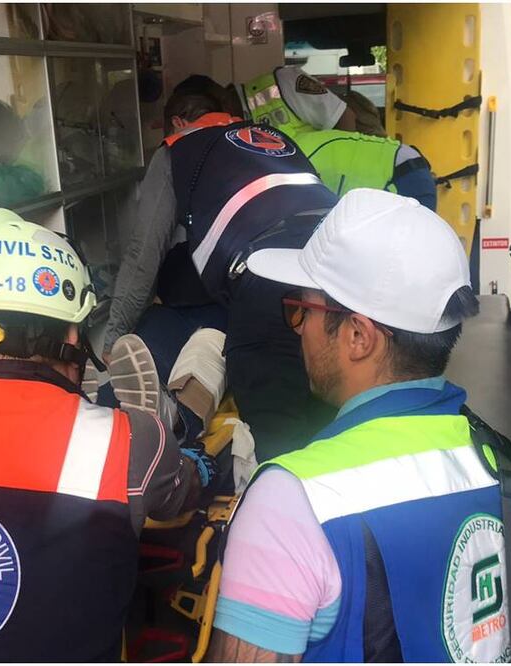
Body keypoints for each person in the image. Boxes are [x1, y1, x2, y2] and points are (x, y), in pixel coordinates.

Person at [208, 190, 511, 662]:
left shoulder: (293, 501)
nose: (299, 327)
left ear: (357, 336)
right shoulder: (504, 464)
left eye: (302, 309)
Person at [0, 208, 214, 661]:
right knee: (180, 456)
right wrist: (195, 465)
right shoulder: (126, 443)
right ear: (72, 331)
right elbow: (183, 499)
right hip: (146, 452)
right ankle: (175, 414)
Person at [104, 89, 338, 464]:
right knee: (331, 417)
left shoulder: (176, 150)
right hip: (338, 273)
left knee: (277, 438)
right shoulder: (276, 140)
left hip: (267, 279)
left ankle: (178, 424)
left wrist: (113, 339)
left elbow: (142, 253)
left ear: (179, 123)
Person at [244, 66, 437, 209]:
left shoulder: (283, 83)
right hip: (391, 171)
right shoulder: (286, 152)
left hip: (399, 175)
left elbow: (344, 118)